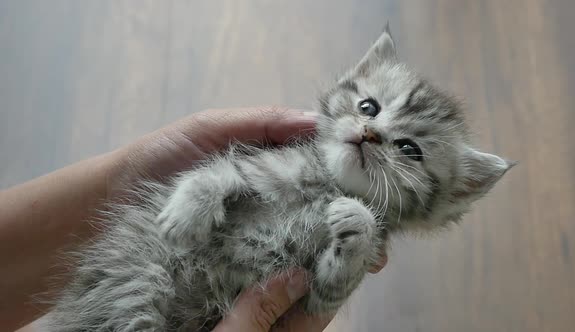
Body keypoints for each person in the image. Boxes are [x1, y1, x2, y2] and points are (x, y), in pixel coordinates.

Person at [0, 107, 387, 332]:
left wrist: (352, 254)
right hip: (154, 282)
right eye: (369, 108)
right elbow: (231, 174)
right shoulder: (297, 157)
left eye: (408, 147)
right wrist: (202, 189)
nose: (372, 131)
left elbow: (322, 294)